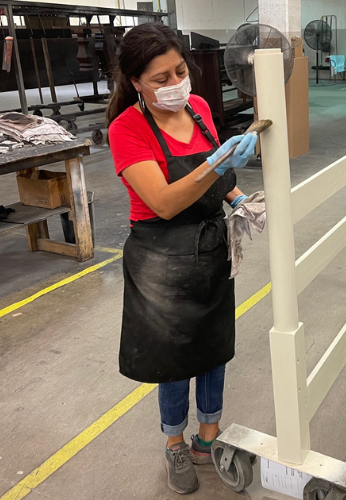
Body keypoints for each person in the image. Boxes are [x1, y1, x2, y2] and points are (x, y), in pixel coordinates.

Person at [106, 22, 257, 495]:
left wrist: (238, 198)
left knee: (213, 347)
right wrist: (219, 161)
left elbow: (215, 178)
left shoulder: (200, 107)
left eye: (179, 71)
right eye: (160, 79)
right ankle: (174, 443)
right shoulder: (126, 129)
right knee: (172, 358)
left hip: (210, 246)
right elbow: (165, 202)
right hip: (161, 256)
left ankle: (206, 437)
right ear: (135, 82)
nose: (176, 85)